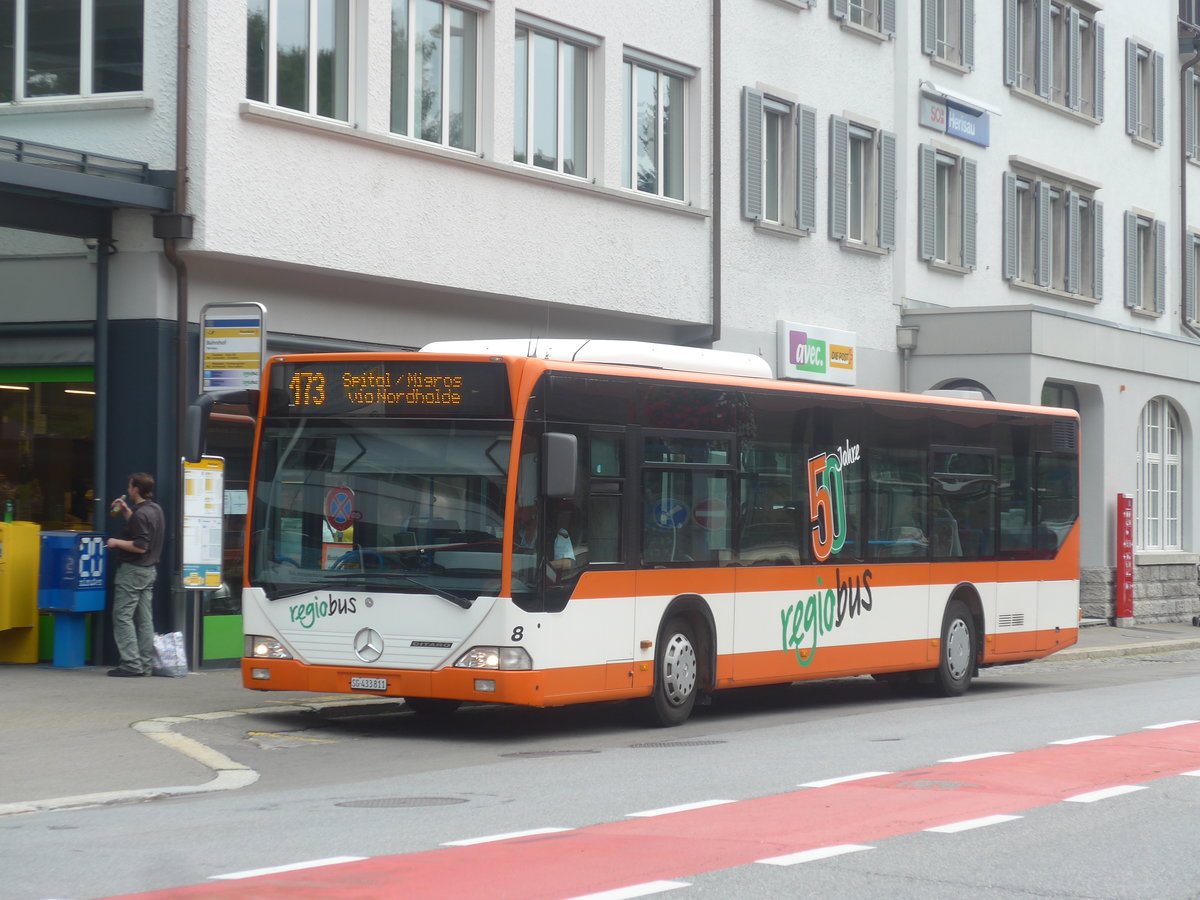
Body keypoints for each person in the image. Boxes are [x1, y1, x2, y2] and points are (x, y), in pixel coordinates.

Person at [105, 472, 165, 677]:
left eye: (130, 486)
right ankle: (145, 664)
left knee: (122, 616)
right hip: (149, 571)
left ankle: (131, 664)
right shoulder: (155, 509)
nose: (128, 490)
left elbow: (140, 545)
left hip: (132, 570)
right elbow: (142, 529)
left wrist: (116, 542)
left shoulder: (142, 514)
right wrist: (126, 511)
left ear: (136, 489)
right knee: (145, 618)